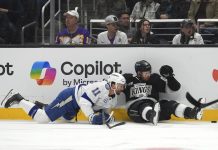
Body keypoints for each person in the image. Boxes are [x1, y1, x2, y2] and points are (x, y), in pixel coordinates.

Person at [1, 73, 126, 125]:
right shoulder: (100, 87)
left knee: (67, 118)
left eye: (122, 86)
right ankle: (19, 99)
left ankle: (39, 105)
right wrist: (91, 117)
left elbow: (103, 111)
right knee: (42, 119)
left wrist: (108, 117)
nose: (121, 88)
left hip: (75, 105)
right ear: (112, 84)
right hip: (70, 98)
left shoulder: (113, 98)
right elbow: (84, 101)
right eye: (120, 85)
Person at [123, 60, 203, 125]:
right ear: (139, 73)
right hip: (135, 111)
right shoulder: (128, 78)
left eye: (149, 72)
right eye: (146, 73)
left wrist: (170, 77)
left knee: (170, 104)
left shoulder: (154, 78)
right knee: (143, 105)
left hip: (155, 108)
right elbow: (115, 87)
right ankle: (151, 114)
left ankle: (191, 113)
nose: (148, 75)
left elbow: (174, 88)